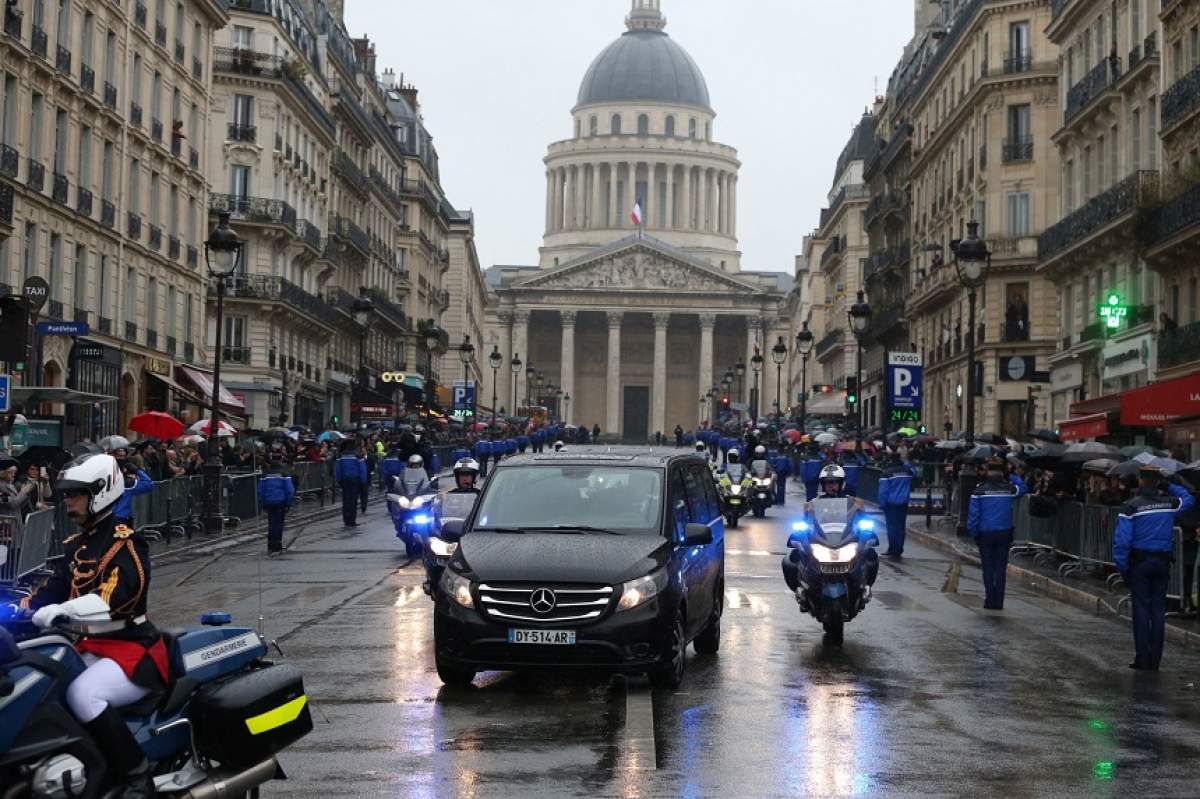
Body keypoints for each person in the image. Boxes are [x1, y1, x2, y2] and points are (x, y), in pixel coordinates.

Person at [21, 453, 166, 798]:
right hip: (88, 648)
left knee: (83, 694)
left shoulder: (125, 543)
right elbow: (49, 591)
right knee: (45, 690)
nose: (68, 501)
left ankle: (137, 775)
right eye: (67, 494)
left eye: (75, 494)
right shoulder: (77, 545)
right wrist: (19, 606)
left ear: (100, 492)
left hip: (130, 650)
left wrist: (62, 610)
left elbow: (115, 600)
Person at [1114, 466, 1195, 670]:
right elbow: (1189, 498)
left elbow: (1123, 541)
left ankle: (1143, 658)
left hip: (1140, 563)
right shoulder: (1168, 503)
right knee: (1158, 611)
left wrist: (1122, 568)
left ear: (1141, 480)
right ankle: (1155, 660)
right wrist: (1170, 486)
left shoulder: (1130, 506)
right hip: (1162, 562)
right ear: (1157, 482)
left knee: (1141, 611)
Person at [967, 457, 1028, 610]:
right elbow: (1023, 488)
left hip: (985, 533)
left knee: (988, 567)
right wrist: (1012, 475)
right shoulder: (1008, 489)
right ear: (1002, 473)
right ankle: (999, 601)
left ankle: (989, 599)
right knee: (1000, 568)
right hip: (1004, 533)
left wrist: (974, 533)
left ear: (987, 472)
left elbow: (974, 515)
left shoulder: (979, 491)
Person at [878, 454, 916, 560]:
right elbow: (915, 472)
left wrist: (882, 504)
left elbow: (883, 491)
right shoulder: (907, 471)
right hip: (903, 503)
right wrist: (907, 464)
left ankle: (892, 549)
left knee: (892, 528)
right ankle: (899, 549)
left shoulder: (887, 473)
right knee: (900, 527)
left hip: (891, 504)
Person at [257, 457, 295, 556]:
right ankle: (277, 545)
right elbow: (289, 490)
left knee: (271, 523)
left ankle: (270, 545)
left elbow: (260, 491)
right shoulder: (284, 475)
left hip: (269, 502)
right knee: (279, 524)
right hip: (280, 502)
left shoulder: (264, 475)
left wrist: (263, 502)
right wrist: (289, 503)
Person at [334, 443, 367, 527]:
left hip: (344, 480)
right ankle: (352, 520)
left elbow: (338, 469)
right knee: (353, 500)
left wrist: (338, 480)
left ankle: (346, 520)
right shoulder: (358, 456)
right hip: (355, 480)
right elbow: (362, 469)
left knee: (345, 500)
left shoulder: (340, 457)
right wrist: (363, 481)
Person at [113, 460, 154, 528]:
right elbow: (149, 484)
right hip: (122, 517)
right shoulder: (128, 483)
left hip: (108, 517)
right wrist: (137, 471)